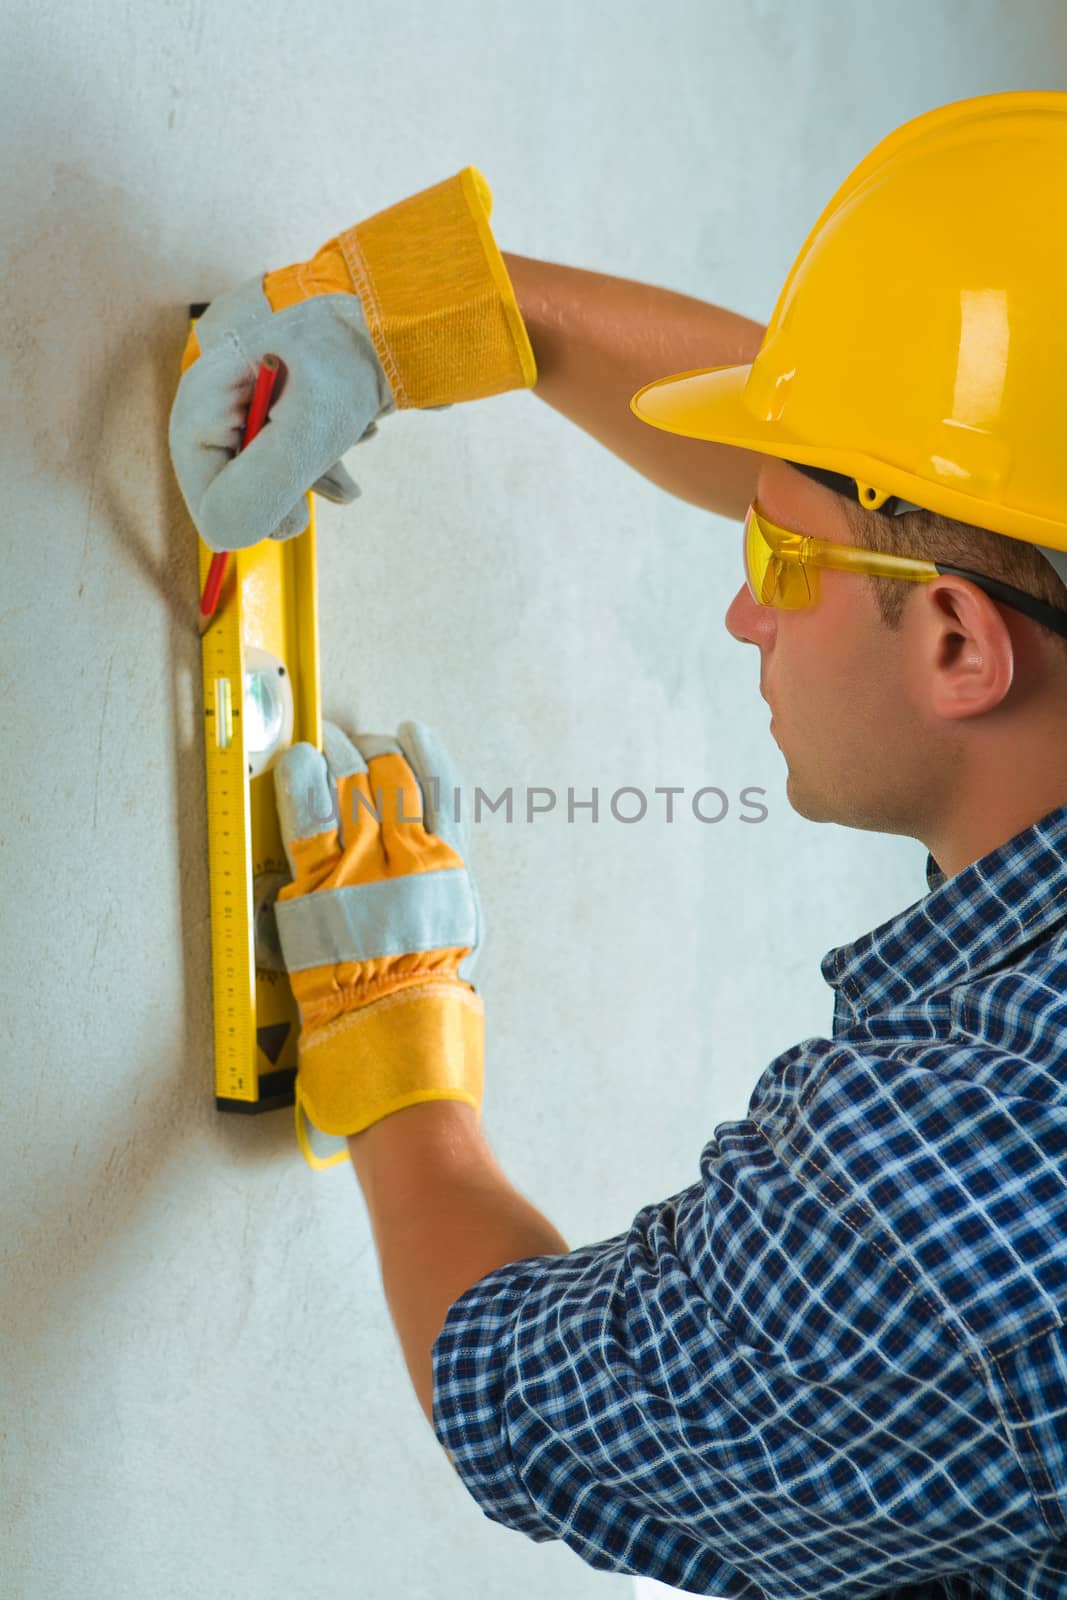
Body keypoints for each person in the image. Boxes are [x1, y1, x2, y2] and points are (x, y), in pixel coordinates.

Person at [168, 91, 1067, 1598]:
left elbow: (534, 1396)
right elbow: (902, 502)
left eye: (775, 563)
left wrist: (397, 1053)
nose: (743, 610)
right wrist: (435, 311)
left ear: (967, 649)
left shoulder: (958, 1203)